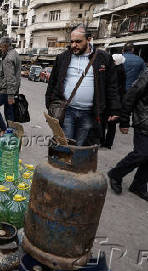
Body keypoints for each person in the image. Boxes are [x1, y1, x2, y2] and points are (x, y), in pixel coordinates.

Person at [45, 24, 120, 146]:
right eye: (72, 41)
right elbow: (53, 83)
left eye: (78, 41)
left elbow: (112, 86)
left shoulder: (103, 58)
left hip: (90, 113)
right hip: (67, 111)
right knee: (65, 146)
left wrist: (114, 109)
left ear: (89, 39)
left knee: (81, 148)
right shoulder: (63, 57)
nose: (74, 45)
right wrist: (50, 105)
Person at [107, 70, 148, 201]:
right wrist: (124, 120)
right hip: (144, 122)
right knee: (142, 153)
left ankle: (139, 186)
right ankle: (116, 174)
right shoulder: (146, 75)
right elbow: (130, 96)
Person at [0, 37, 20, 133]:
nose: (0, 48)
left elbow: (10, 77)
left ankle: (4, 128)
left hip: (7, 90)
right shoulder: (14, 53)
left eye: (1, 46)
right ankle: (10, 131)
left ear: (6, 45)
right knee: (9, 111)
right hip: (13, 89)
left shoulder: (8, 58)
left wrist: (10, 95)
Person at [101, 54, 126, 149]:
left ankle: (102, 140)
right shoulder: (122, 71)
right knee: (112, 124)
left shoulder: (112, 71)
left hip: (110, 99)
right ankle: (108, 143)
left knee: (104, 121)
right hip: (117, 100)